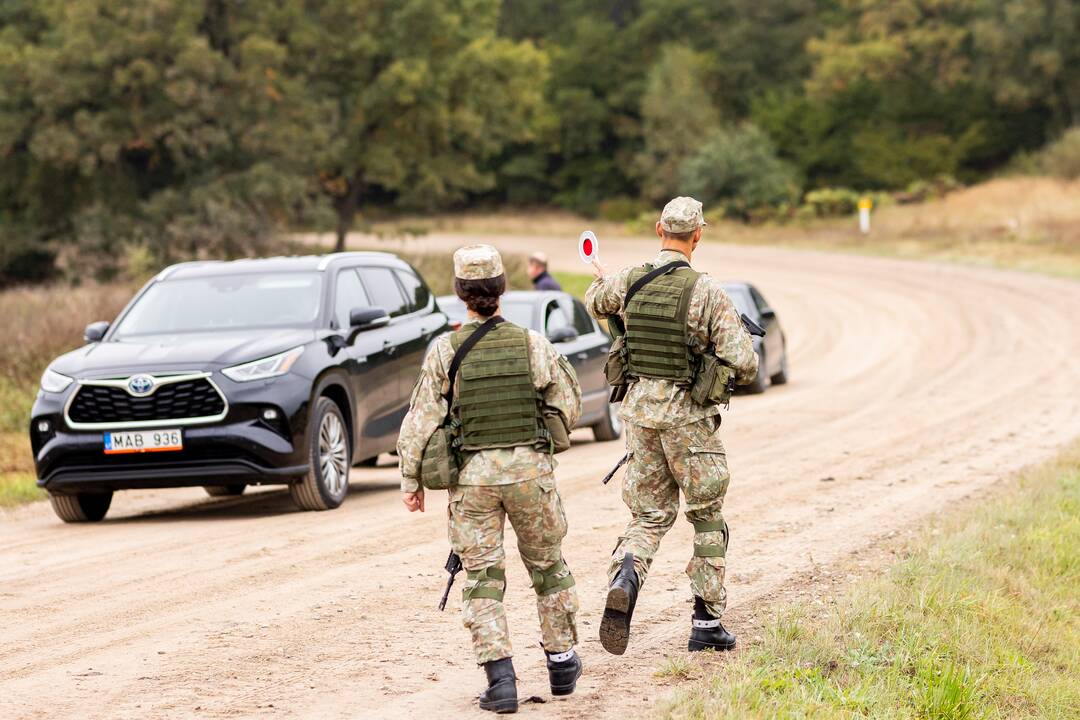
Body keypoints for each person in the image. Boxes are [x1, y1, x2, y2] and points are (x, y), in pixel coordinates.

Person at [398, 244, 583, 714]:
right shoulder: (531, 343)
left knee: (482, 578)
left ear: (460, 293)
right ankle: (562, 665)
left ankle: (500, 681)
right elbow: (569, 404)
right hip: (530, 475)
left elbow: (419, 421)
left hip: (473, 482)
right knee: (548, 567)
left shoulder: (445, 350)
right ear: (502, 289)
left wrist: (410, 481)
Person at [585, 197, 758, 655]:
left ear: (658, 228)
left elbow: (596, 301)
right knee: (706, 518)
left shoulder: (629, 278)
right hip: (690, 421)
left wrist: (615, 296)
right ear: (697, 236)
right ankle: (706, 624)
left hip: (640, 416)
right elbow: (744, 362)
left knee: (648, 516)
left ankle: (625, 577)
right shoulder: (707, 291)